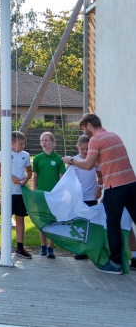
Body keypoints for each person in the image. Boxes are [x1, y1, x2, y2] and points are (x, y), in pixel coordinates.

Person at [62, 113, 136, 274]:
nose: (85, 134)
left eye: (84, 129)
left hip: (115, 187)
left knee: (113, 225)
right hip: (131, 183)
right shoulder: (113, 136)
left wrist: (71, 161)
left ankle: (115, 264)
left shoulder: (96, 139)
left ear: (89, 125)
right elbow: (102, 161)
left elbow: (88, 165)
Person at [0, 130, 32, 259]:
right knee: (6, 219)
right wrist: (11, 177)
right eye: (20, 144)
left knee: (20, 218)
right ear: (12, 143)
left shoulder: (25, 155)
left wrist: (26, 178)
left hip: (20, 193)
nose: (23, 146)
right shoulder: (3, 153)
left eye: (24, 143)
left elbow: (29, 171)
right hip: (8, 192)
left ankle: (19, 247)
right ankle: (4, 246)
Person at [32, 131, 65, 259]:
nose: (43, 143)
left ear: (52, 142)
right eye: (41, 140)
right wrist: (34, 190)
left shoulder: (58, 159)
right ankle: (43, 246)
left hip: (54, 196)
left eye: (46, 140)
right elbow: (35, 175)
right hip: (42, 195)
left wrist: (61, 193)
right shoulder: (38, 159)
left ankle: (51, 247)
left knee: (53, 221)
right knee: (42, 220)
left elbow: (61, 177)